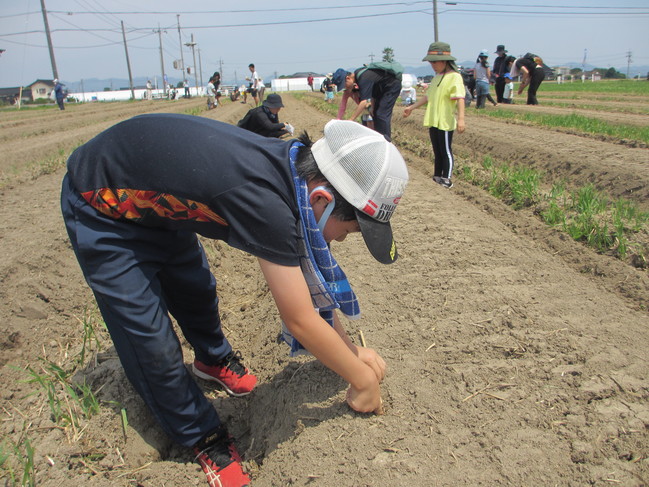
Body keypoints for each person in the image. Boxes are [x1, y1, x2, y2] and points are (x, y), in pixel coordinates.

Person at [61, 115, 408, 487]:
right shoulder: (266, 202)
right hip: (103, 203)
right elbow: (301, 319)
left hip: (158, 204)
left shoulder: (292, 172)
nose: (342, 239)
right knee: (151, 342)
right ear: (321, 198)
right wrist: (360, 379)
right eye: (351, 229)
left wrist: (351, 352)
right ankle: (202, 437)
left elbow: (307, 287)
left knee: (195, 288)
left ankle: (212, 360)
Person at [403, 41, 465, 189]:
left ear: (444, 61)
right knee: (436, 150)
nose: (432, 65)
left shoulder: (454, 77)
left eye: (434, 62)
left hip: (444, 120)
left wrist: (461, 119)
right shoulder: (437, 77)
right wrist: (412, 107)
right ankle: (437, 176)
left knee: (445, 151)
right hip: (433, 120)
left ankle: (447, 179)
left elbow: (460, 98)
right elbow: (428, 97)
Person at [332, 62, 402, 142]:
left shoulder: (363, 78)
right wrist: (372, 106)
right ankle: (378, 139)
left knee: (381, 114)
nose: (345, 88)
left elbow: (364, 102)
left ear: (348, 78)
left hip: (391, 86)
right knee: (375, 114)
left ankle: (386, 141)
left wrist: (351, 119)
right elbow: (371, 91)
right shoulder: (359, 76)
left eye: (345, 85)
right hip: (381, 90)